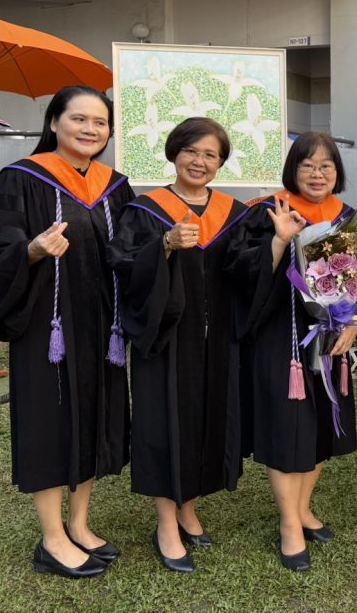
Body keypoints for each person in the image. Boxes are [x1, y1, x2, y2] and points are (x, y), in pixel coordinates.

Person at [0, 86, 133, 579]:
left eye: (100, 122)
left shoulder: (115, 186)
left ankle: (79, 524)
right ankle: (52, 537)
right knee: (50, 420)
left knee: (95, 414)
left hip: (101, 323)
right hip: (48, 326)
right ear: (55, 122)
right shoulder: (20, 179)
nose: (90, 130)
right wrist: (32, 251)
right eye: (79, 119)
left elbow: (131, 251)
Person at [108, 118, 248, 574]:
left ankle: (188, 508)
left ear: (221, 163)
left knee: (205, 418)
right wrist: (165, 244)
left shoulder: (234, 212)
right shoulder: (146, 210)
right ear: (174, 153)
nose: (199, 161)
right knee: (166, 422)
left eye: (210, 155)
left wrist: (282, 240)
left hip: (217, 340)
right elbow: (122, 262)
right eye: (191, 151)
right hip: (166, 339)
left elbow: (246, 272)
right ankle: (166, 524)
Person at [234, 133, 357, 572]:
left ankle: (304, 508)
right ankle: (289, 523)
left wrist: (356, 319)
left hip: (329, 341)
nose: (317, 174)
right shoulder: (267, 212)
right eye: (307, 165)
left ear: (337, 173)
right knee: (287, 429)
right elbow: (240, 274)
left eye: (326, 166)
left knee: (322, 427)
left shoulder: (347, 218)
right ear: (293, 169)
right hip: (280, 339)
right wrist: (278, 241)